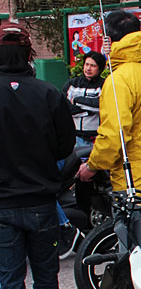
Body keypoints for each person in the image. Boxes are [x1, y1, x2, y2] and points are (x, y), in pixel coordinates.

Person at [0, 21, 75, 289]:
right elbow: (65, 147)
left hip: (3, 205)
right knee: (46, 276)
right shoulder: (48, 94)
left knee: (10, 281)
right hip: (43, 201)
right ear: (29, 54)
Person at [76, 11, 141, 196]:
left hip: (136, 185)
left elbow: (115, 134)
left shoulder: (119, 80)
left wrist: (92, 165)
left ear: (110, 40)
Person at [57, 51, 107, 258]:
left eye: (93, 65)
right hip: (75, 138)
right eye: (86, 64)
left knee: (91, 180)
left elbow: (102, 107)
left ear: (100, 68)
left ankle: (88, 220)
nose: (88, 68)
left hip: (96, 139)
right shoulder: (71, 84)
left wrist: (80, 105)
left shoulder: (105, 84)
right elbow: (64, 105)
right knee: (72, 177)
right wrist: (83, 106)